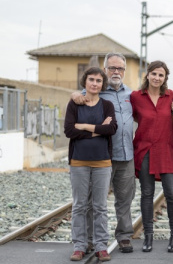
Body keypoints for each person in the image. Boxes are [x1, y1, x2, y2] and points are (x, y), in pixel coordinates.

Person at [71, 53, 136, 254]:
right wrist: (74, 94)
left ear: (124, 71)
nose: (116, 72)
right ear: (105, 69)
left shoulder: (131, 95)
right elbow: (76, 106)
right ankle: (89, 240)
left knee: (125, 199)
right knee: (93, 201)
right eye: (112, 68)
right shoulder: (92, 92)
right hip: (102, 156)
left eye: (120, 68)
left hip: (126, 155)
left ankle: (124, 236)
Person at [64, 67, 117, 262]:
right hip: (78, 161)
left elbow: (111, 128)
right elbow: (69, 130)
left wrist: (84, 126)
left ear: (103, 84)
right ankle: (79, 245)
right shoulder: (75, 104)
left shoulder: (107, 105)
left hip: (102, 162)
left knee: (100, 206)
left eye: (98, 80)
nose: (95, 83)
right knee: (79, 205)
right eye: (91, 80)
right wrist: (97, 130)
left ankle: (101, 246)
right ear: (84, 82)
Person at [130, 60, 173, 253]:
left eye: (161, 75)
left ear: (165, 78)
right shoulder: (136, 96)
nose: (157, 78)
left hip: (166, 151)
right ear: (147, 75)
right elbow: (132, 117)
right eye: (154, 74)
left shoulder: (170, 97)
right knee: (147, 194)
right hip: (144, 151)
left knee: (172, 194)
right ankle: (148, 237)